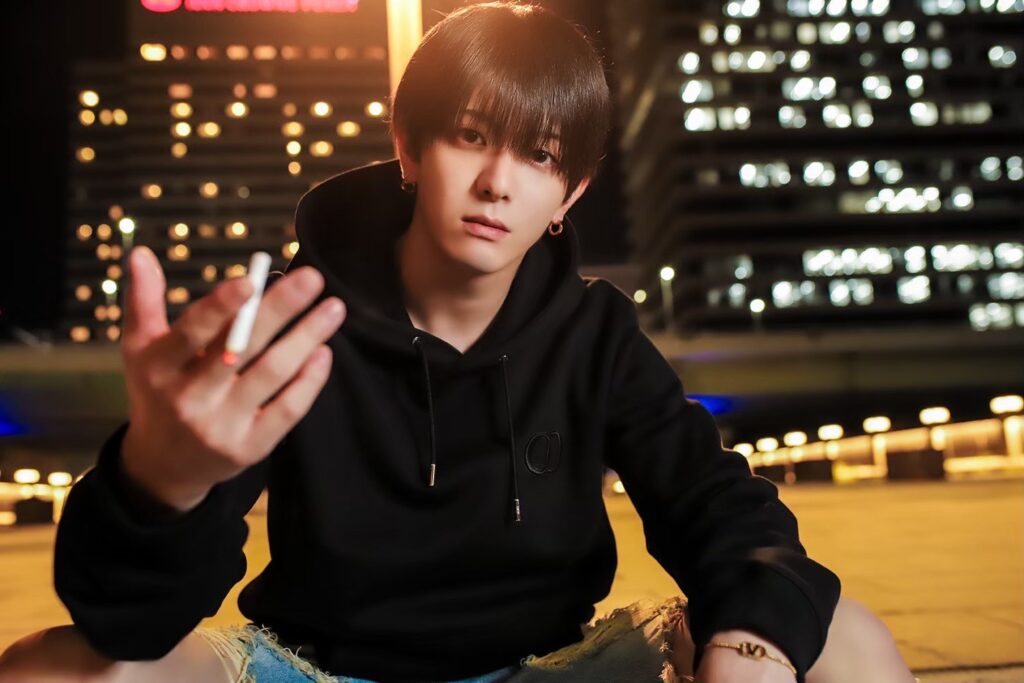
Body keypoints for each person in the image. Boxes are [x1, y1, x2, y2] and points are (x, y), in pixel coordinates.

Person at [0, 3, 918, 683]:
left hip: (549, 668)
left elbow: (722, 509)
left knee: (836, 636)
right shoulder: (298, 321)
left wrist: (751, 642)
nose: (497, 182)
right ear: (408, 147)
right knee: (47, 669)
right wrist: (162, 482)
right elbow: (125, 622)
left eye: (539, 155)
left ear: (569, 195)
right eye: (471, 137)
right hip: (312, 670)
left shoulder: (594, 330)